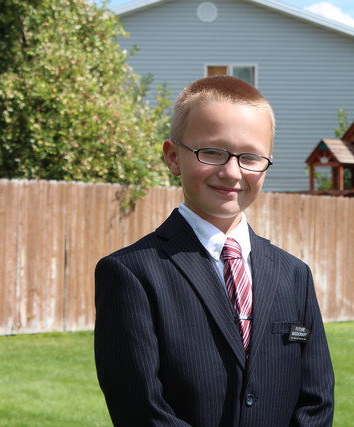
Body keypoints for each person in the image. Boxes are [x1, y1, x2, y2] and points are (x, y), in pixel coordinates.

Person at [94, 76, 335, 426]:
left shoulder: (294, 274)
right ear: (173, 157)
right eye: (211, 152)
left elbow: (316, 402)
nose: (232, 171)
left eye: (251, 157)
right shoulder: (132, 274)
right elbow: (142, 411)